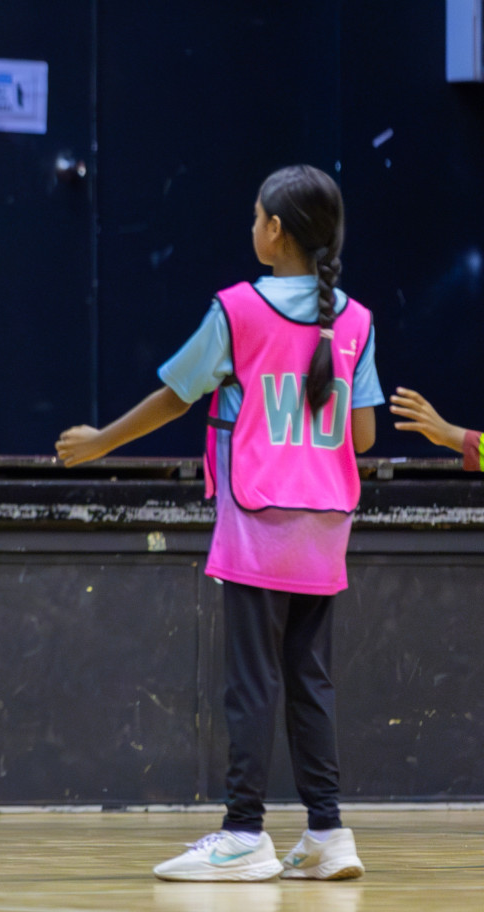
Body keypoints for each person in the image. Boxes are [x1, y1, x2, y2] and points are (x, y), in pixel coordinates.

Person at [56, 165, 378, 883]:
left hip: (259, 523)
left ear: (279, 232)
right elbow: (361, 438)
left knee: (251, 684)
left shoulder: (240, 309)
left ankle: (244, 831)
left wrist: (99, 441)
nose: (251, 226)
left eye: (258, 216)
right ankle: (328, 832)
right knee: (309, 681)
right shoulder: (356, 318)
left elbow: (176, 395)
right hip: (325, 529)